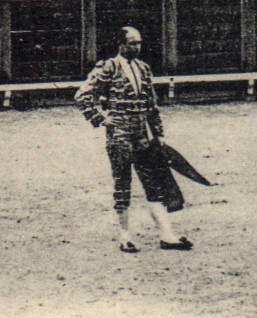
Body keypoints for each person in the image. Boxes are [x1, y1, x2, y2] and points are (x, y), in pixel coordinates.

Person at [74, 26, 192, 253]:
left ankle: (167, 235)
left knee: (153, 184)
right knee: (122, 184)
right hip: (119, 136)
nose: (137, 47)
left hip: (142, 136)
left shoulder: (144, 69)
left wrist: (158, 133)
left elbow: (152, 106)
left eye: (139, 43)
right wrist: (101, 119)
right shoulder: (108, 67)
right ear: (121, 44)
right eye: (132, 43)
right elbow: (82, 95)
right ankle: (125, 237)